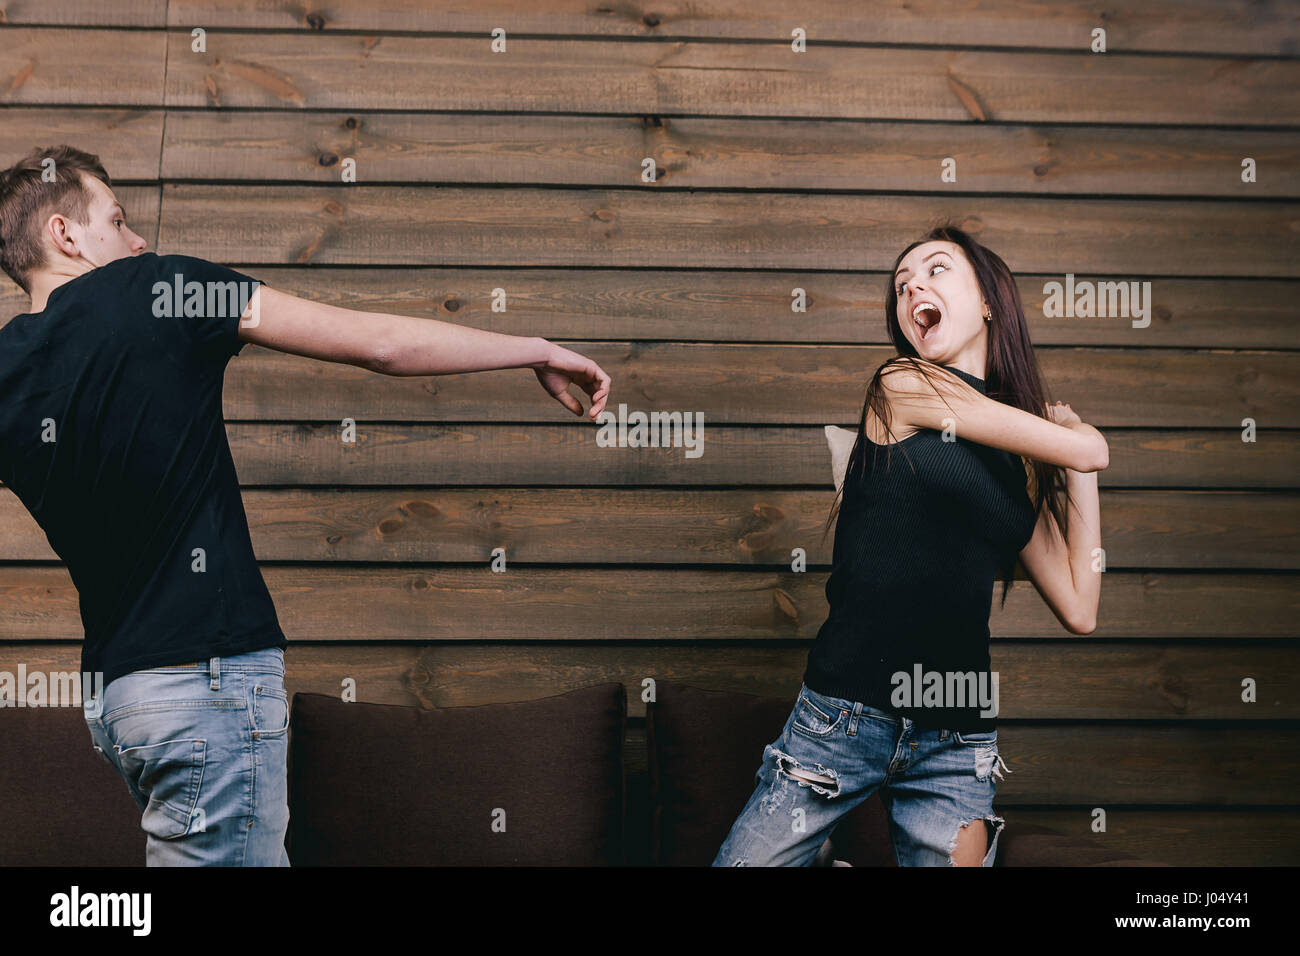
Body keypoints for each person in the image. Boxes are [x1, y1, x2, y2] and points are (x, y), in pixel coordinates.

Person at [0, 144, 611, 866]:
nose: (139, 240)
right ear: (66, 234)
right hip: (205, 680)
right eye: (118, 219)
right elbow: (380, 344)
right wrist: (533, 347)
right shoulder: (157, 287)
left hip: (119, 701)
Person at [713, 224, 1107, 866]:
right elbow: (1092, 447)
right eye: (902, 285)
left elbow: (1080, 607)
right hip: (845, 717)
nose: (913, 286)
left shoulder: (1021, 462)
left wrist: (1074, 472)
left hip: (956, 733)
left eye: (937, 269)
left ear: (989, 302)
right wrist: (1076, 437)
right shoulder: (903, 387)